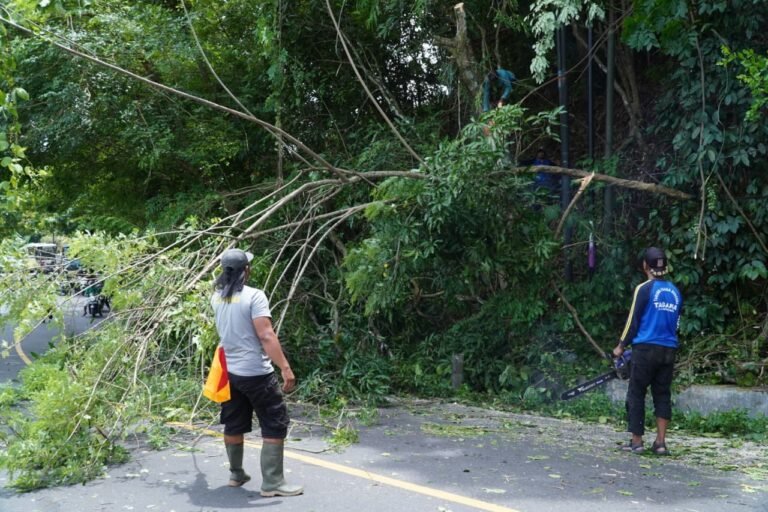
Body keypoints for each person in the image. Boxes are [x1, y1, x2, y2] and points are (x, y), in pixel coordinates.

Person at [210, 248, 303, 496]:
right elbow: (265, 335)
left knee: (233, 422)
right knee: (274, 423)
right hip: (255, 372)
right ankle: (273, 483)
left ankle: (236, 474)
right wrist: (285, 367)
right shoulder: (255, 296)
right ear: (246, 270)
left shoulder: (216, 296)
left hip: (230, 373)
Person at [613, 247, 682, 455]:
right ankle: (660, 443)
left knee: (636, 392)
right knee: (662, 394)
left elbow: (632, 321)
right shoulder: (675, 291)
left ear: (645, 265)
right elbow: (676, 322)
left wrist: (621, 346)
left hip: (645, 348)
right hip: (668, 349)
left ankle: (637, 441)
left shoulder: (644, 289)